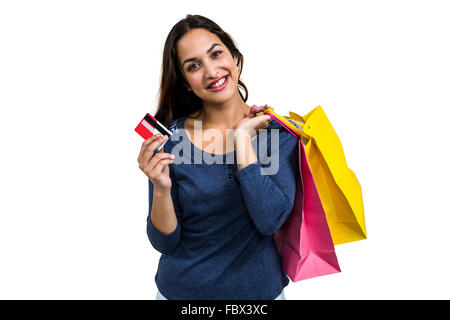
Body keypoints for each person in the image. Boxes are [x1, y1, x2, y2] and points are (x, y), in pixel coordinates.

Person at [137, 14, 299, 300]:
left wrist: (241, 142)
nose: (211, 71)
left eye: (216, 54)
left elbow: (269, 220)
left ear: (235, 58)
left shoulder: (278, 134)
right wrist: (161, 189)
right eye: (194, 66)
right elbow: (165, 241)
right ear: (186, 82)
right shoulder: (172, 141)